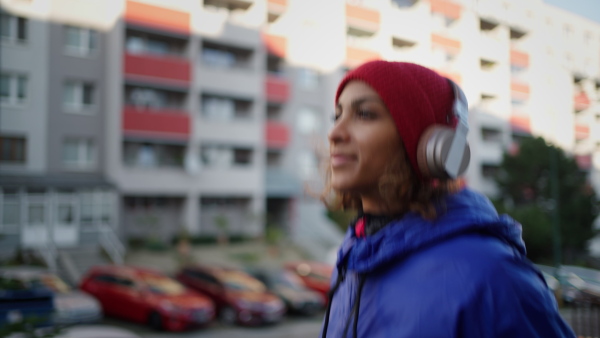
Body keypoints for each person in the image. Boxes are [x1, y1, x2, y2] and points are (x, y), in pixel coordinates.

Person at [320, 60, 575, 338]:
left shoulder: (491, 275)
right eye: (337, 116)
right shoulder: (353, 257)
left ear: (434, 147)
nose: (335, 134)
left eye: (365, 114)